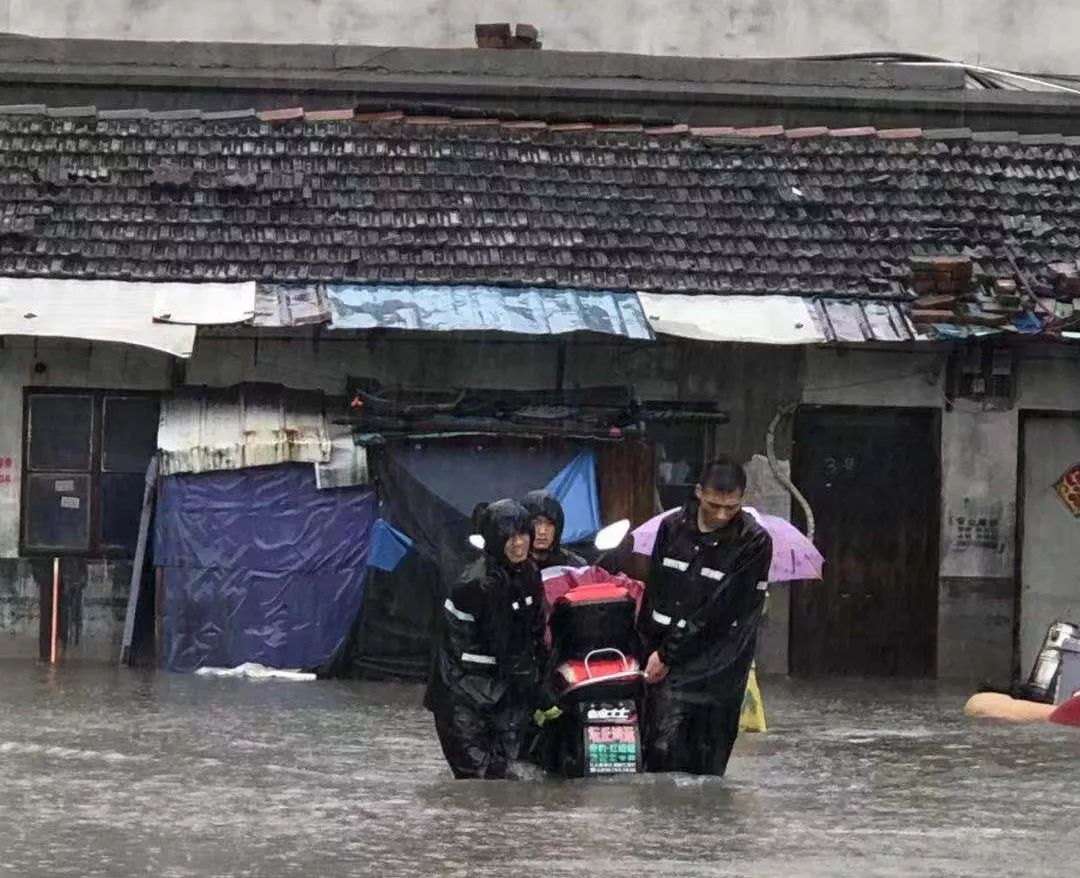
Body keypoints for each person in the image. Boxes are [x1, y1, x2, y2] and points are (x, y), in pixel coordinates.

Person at [637, 456, 773, 777]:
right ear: (699, 492)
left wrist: (667, 654)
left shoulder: (753, 542)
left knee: (705, 769)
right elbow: (654, 592)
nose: (722, 515)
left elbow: (718, 611)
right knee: (659, 755)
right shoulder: (671, 529)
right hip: (664, 663)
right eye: (714, 505)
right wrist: (646, 649)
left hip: (719, 669)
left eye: (732, 507)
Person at [424, 499, 552, 779]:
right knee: (483, 779)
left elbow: (534, 632)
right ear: (495, 541)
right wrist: (540, 693)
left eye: (523, 536)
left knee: (518, 771)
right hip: (462, 694)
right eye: (510, 538)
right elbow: (507, 645)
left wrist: (546, 678)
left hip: (504, 690)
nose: (519, 544)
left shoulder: (529, 573)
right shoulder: (479, 585)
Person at [521, 490, 586, 570]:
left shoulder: (575, 566)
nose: (542, 531)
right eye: (536, 523)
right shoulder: (509, 569)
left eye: (549, 524)